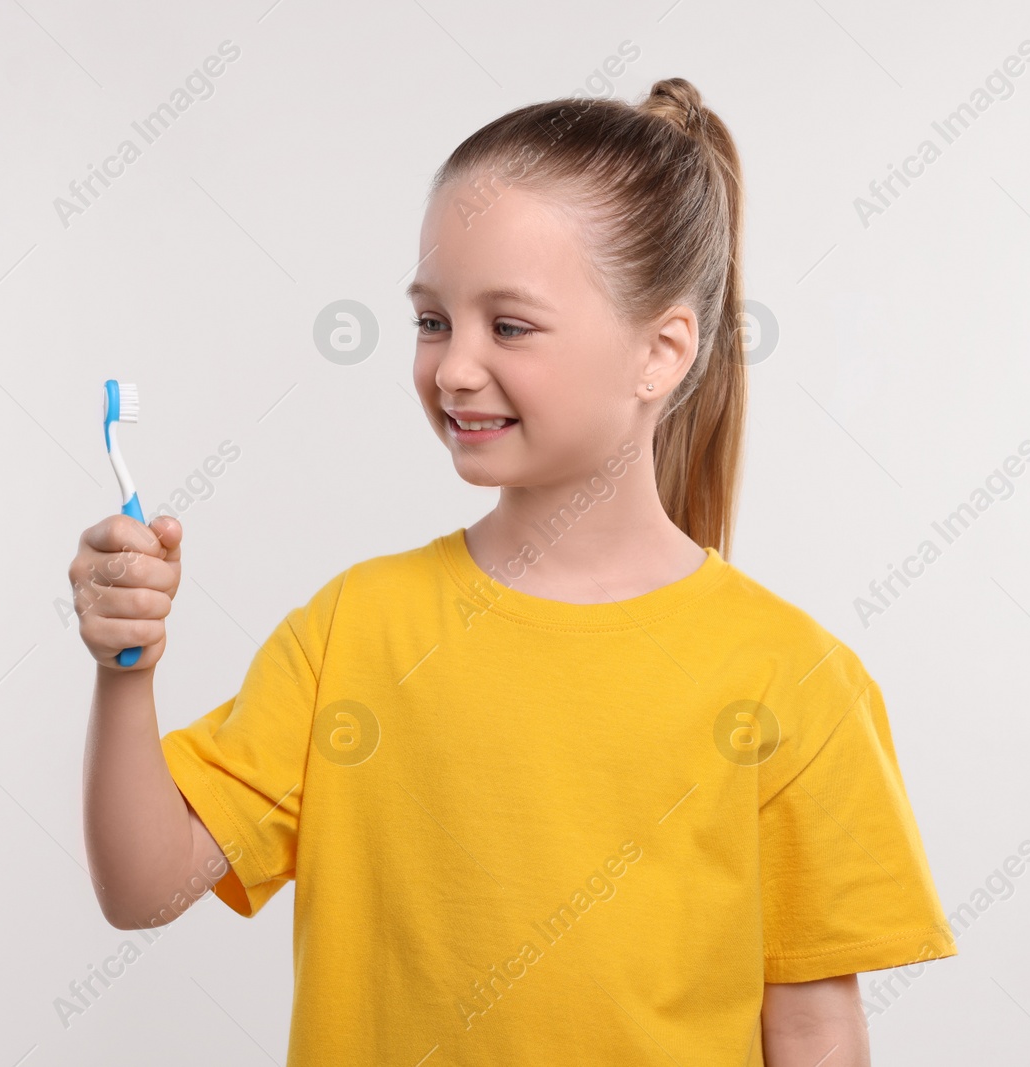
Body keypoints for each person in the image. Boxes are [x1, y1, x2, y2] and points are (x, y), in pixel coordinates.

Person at [69, 77, 956, 1066]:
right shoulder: (353, 629)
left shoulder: (794, 678)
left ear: (660, 350)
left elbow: (813, 1027)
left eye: (511, 325)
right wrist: (125, 668)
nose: (452, 367)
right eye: (433, 321)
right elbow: (144, 889)